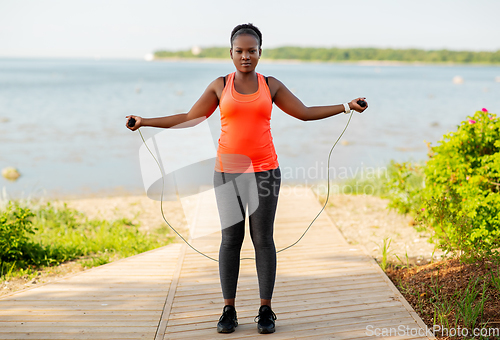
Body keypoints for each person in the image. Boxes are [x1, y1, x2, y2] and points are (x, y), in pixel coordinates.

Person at [126, 23, 368, 335]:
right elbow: (190, 118)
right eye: (239, 51)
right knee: (230, 241)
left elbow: (305, 113)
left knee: (263, 240)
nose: (245, 56)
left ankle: (266, 310)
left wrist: (346, 106)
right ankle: (229, 310)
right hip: (227, 173)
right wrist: (146, 121)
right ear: (230, 53)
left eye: (251, 51)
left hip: (265, 172)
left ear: (259, 53)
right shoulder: (219, 86)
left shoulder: (271, 85)